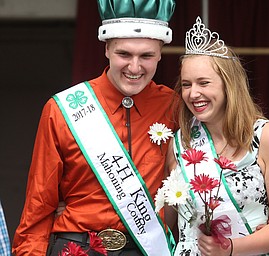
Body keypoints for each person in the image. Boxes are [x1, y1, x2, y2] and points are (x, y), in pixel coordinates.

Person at [12, 0, 177, 255]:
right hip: (76, 245)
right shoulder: (62, 109)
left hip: (147, 247)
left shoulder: (174, 107)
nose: (135, 67)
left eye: (146, 56)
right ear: (107, 49)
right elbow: (39, 205)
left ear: (160, 54)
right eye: (124, 54)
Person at [163, 17, 269, 256]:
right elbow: (169, 222)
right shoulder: (179, 142)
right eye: (186, 84)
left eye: (203, 83)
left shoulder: (268, 138)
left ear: (229, 85)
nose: (194, 93)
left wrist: (231, 248)